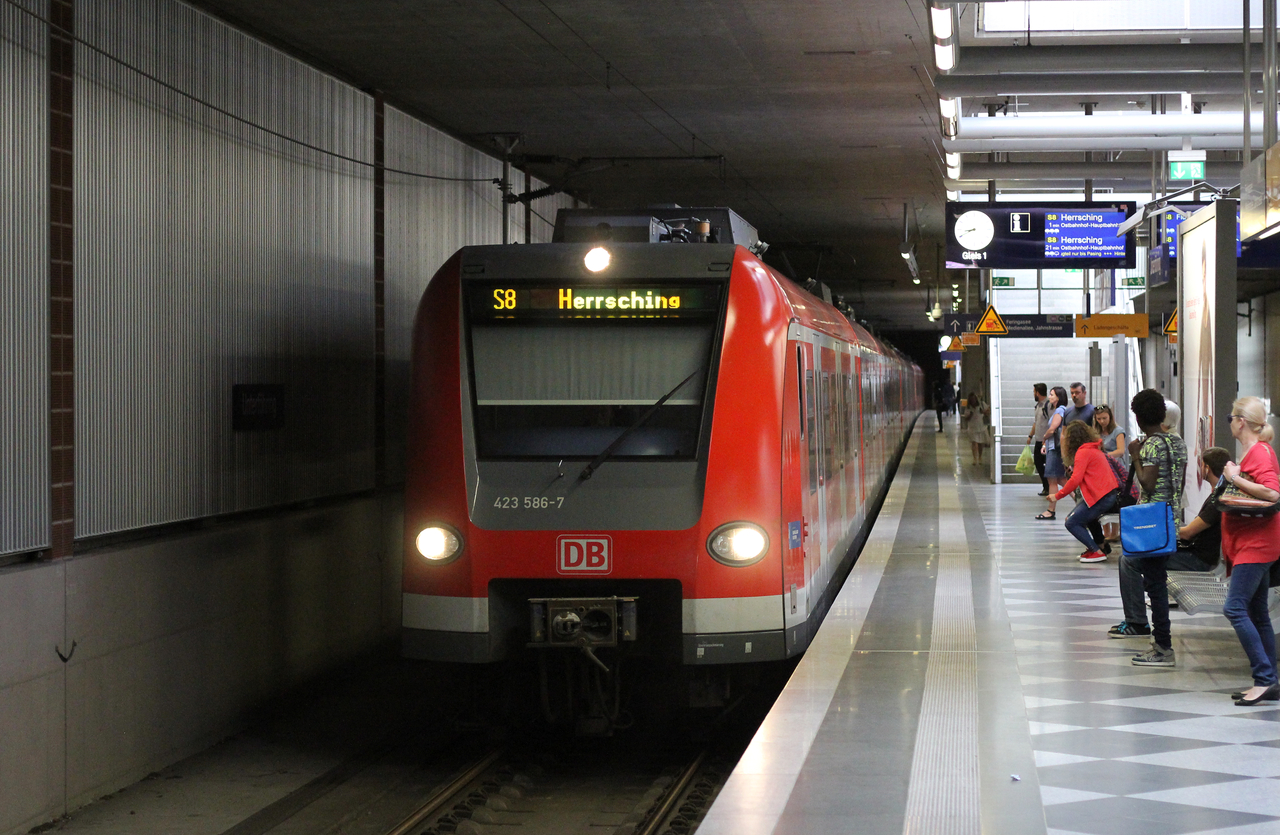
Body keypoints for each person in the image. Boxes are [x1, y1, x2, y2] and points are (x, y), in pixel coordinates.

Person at [1109, 447, 1228, 638]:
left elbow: (1188, 533)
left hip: (1198, 559)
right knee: (1135, 559)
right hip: (1195, 553)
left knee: (1129, 561)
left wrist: (1158, 531)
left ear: (1206, 468)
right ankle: (1137, 619)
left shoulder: (1217, 499)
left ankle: (1137, 622)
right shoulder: (1218, 494)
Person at [1111, 389, 1188, 667]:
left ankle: (1163, 647)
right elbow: (1177, 485)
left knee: (1155, 586)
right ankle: (1159, 642)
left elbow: (1148, 484)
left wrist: (1134, 455)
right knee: (1153, 579)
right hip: (1170, 521)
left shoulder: (1152, 446)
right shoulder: (1178, 443)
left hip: (1150, 524)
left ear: (1139, 418)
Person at [1219, 397, 1280, 705]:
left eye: (1231, 417)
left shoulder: (1260, 452)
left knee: (1235, 608)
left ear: (1241, 421)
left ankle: (1265, 678)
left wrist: (1234, 478)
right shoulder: (1252, 452)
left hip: (1256, 546)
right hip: (1250, 544)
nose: (1229, 422)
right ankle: (1270, 681)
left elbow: (1272, 492)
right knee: (1257, 612)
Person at [1054, 420, 1120, 562]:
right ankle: (1097, 547)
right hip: (1106, 495)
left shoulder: (1083, 452)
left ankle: (1096, 551)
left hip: (1101, 497)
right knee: (1080, 517)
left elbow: (1075, 480)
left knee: (1071, 522)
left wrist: (1057, 496)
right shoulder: (1093, 449)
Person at [1094, 404, 1127, 543]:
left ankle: (1115, 531)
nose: (1102, 421)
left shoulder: (1118, 431)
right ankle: (1105, 530)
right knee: (1102, 498)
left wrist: (1104, 456)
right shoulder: (1095, 432)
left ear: (1110, 417)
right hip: (1101, 469)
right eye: (1099, 419)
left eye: (1105, 418)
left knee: (1116, 498)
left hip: (1115, 468)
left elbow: (1121, 450)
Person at [1036, 386, 1069, 520]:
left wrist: (1044, 439)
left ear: (1058, 397)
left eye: (1052, 395)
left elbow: (1053, 429)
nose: (1049, 397)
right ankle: (1081, 500)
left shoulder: (1060, 411)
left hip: (1054, 449)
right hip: (1054, 447)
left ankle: (1051, 510)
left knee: (1052, 479)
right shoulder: (1060, 410)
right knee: (1061, 479)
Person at [1028, 383, 1051, 496]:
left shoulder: (1048, 405)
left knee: (1047, 464)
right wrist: (1030, 436)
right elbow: (1036, 422)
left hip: (1046, 441)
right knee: (1038, 463)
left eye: (1034, 392)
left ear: (1038, 392)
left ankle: (1049, 486)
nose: (1033, 394)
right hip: (1038, 440)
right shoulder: (1038, 406)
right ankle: (1046, 486)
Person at [962, 391, 991, 466]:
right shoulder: (968, 408)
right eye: (971, 399)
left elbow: (989, 410)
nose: (973, 401)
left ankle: (980, 457)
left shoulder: (981, 404)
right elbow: (966, 418)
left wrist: (984, 412)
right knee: (974, 443)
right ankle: (975, 458)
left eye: (974, 399)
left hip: (981, 426)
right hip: (972, 427)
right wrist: (970, 415)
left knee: (980, 443)